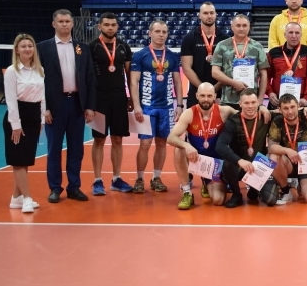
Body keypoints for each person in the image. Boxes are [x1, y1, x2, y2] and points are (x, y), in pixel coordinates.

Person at [37, 9, 96, 203]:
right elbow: (38, 81)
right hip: (55, 106)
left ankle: (74, 187)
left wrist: (89, 106)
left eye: (67, 21)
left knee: (76, 149)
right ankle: (55, 188)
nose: (64, 24)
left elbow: (89, 77)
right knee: (54, 149)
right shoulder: (42, 48)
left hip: (77, 103)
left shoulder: (82, 47)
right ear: (53, 24)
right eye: (60, 21)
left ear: (72, 24)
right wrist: (44, 107)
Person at [167, 83, 245, 210]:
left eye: (209, 96)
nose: (206, 99)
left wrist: (262, 109)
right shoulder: (189, 113)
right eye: (202, 96)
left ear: (215, 96)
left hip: (216, 163)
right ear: (197, 96)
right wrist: (186, 145)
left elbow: (247, 114)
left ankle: (206, 179)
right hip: (197, 158)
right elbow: (171, 138)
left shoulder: (224, 111)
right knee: (179, 150)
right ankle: (187, 193)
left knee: (218, 200)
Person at [130, 20, 183, 193]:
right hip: (147, 107)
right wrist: (137, 106)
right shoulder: (140, 55)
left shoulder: (172, 56)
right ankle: (139, 179)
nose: (161, 35)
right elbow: (134, 82)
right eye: (157, 31)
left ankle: (156, 178)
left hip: (166, 107)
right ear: (150, 33)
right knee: (145, 144)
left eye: (164, 32)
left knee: (162, 144)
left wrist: (179, 105)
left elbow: (177, 82)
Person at [88, 12, 134, 195]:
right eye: (106, 25)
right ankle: (97, 180)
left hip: (119, 99)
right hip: (99, 100)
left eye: (113, 25)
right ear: (99, 26)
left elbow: (129, 75)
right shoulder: (92, 47)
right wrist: (89, 103)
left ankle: (116, 179)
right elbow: (87, 76)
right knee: (99, 140)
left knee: (117, 139)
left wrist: (131, 98)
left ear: (117, 26)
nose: (110, 28)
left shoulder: (123, 46)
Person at [215, 89, 278, 208]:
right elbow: (220, 146)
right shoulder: (233, 122)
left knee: (271, 200)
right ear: (240, 104)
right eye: (246, 103)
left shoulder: (266, 116)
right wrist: (239, 160)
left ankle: (254, 189)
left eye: (253, 102)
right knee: (227, 163)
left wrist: (306, 109)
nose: (250, 106)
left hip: (260, 167)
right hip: (240, 167)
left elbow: (288, 112)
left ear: (258, 102)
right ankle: (236, 195)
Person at [4, 34, 45, 213]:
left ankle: (16, 198)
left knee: (25, 159)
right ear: (17, 50)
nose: (28, 49)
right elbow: (11, 100)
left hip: (33, 116)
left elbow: (42, 96)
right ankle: (27, 197)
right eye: (23, 46)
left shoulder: (39, 69)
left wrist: (41, 119)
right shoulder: (12, 71)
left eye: (30, 46)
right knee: (18, 161)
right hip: (18, 116)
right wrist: (15, 124)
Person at [211, 14, 269, 109]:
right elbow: (215, 72)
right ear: (232, 27)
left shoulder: (258, 47)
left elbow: (263, 74)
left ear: (249, 27)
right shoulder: (222, 46)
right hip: (228, 100)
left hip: (251, 100)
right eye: (238, 25)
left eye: (244, 25)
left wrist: (260, 99)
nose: (241, 29)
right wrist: (234, 83)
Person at [180, 2, 229, 108]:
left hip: (220, 93)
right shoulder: (189, 38)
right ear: (199, 15)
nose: (209, 16)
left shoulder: (225, 39)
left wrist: (214, 89)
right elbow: (186, 68)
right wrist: (203, 90)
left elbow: (228, 69)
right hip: (196, 92)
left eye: (211, 13)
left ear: (216, 14)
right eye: (205, 13)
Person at [266, 22, 307, 109]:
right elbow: (266, 76)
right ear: (284, 34)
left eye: (297, 33)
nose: (294, 36)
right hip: (277, 100)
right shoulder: (273, 53)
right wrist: (269, 92)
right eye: (290, 32)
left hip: (301, 100)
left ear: (301, 35)